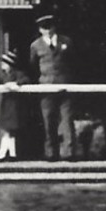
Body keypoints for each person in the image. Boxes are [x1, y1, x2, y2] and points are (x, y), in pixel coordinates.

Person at [29, 15, 76, 161]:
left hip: (64, 85)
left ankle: (69, 152)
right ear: (40, 30)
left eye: (50, 27)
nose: (47, 31)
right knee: (48, 120)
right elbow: (33, 65)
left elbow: (74, 61)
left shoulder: (66, 42)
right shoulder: (35, 46)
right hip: (46, 87)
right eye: (44, 28)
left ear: (54, 27)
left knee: (67, 119)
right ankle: (51, 152)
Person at [0, 49, 30, 161]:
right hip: (6, 105)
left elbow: (26, 80)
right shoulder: (4, 75)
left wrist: (15, 84)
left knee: (7, 130)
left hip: (13, 106)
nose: (2, 66)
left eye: (4, 63)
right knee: (9, 131)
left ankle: (1, 154)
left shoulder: (18, 74)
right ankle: (12, 154)